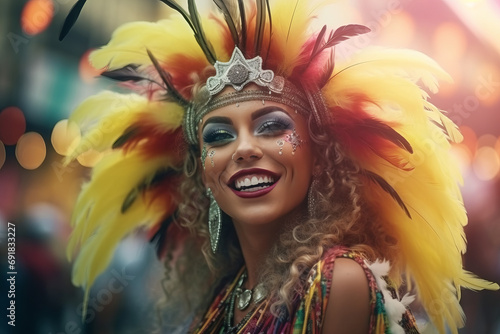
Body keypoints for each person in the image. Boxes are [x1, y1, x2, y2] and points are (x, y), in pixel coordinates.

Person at [59, 0, 499, 333]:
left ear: (318, 154)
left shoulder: (338, 282)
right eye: (218, 135)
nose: (244, 149)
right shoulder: (229, 294)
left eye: (271, 126)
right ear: (202, 177)